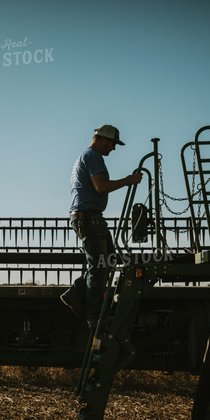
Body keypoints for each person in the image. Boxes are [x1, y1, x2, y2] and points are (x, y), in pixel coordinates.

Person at [60, 125, 142, 329]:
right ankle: (94, 317)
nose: (113, 149)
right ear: (104, 140)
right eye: (113, 144)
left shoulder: (87, 156)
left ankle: (74, 294)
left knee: (107, 260)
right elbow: (100, 186)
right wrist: (128, 181)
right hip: (89, 218)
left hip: (90, 217)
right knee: (99, 267)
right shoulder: (94, 156)